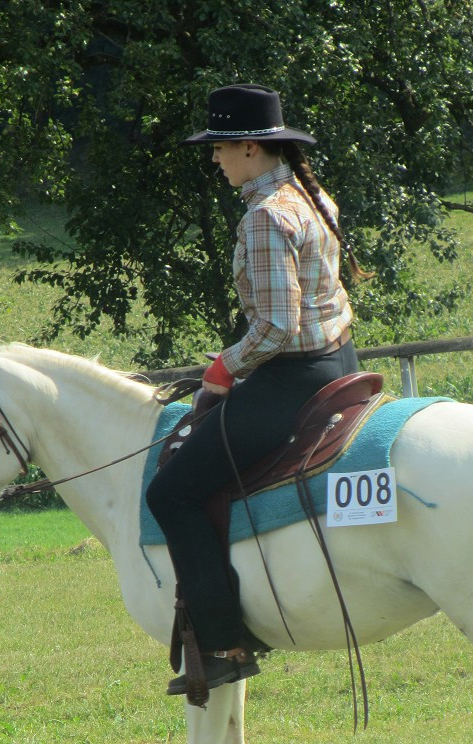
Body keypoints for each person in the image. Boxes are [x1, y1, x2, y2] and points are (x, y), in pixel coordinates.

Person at [146, 83, 368, 695]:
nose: (214, 158)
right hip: (340, 360)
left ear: (250, 147)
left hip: (292, 380)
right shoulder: (312, 196)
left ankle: (223, 643)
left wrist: (223, 367)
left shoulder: (266, 216)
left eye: (219, 147)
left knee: (173, 493)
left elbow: (275, 327)